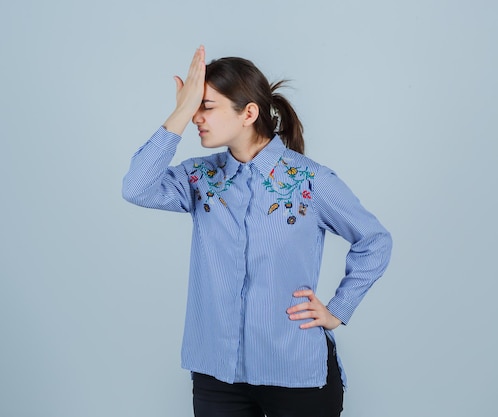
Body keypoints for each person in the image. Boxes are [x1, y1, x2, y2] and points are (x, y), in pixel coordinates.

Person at [122, 45, 392, 417]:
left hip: (295, 373)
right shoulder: (199, 178)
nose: (198, 118)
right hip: (216, 375)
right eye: (194, 107)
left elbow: (374, 240)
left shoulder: (310, 181)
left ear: (249, 113)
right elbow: (136, 187)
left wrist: (337, 310)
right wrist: (180, 112)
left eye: (207, 107)